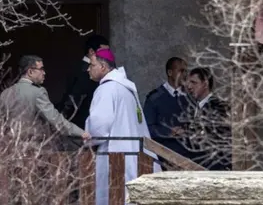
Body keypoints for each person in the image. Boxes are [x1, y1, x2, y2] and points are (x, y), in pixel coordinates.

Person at [85, 49, 161, 205]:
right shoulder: (126, 89)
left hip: (115, 158)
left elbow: (99, 128)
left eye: (92, 65)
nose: (88, 69)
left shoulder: (107, 89)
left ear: (103, 67)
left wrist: (87, 136)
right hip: (133, 156)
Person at [0, 55, 91, 144]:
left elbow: (1, 124)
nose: (44, 73)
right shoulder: (37, 92)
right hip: (34, 147)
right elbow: (55, 119)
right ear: (30, 72)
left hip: (10, 147)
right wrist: (80, 132)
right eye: (41, 69)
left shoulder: (5, 93)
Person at [143, 57, 192, 163]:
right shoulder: (154, 98)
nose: (185, 74)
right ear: (170, 72)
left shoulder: (190, 97)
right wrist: (169, 132)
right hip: (163, 158)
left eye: (186, 71)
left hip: (187, 158)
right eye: (181, 71)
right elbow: (147, 128)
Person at [58, 34, 110, 129]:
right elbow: (74, 99)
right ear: (91, 51)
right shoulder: (83, 70)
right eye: (104, 51)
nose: (107, 55)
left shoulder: (78, 67)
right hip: (82, 123)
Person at [185, 67, 232, 170]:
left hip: (214, 167)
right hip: (197, 166)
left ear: (205, 84)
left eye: (194, 82)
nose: (189, 86)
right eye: (188, 82)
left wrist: (187, 132)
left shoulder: (218, 106)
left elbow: (217, 136)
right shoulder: (192, 107)